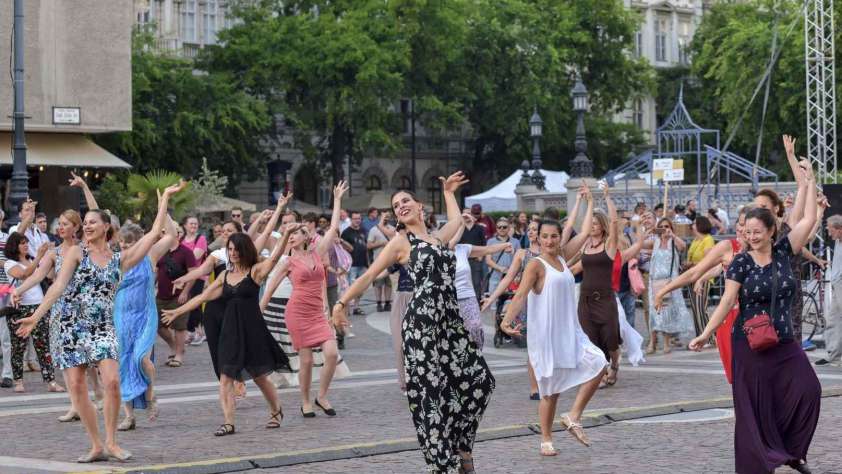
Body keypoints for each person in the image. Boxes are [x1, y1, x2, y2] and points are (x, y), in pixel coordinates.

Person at [333, 172, 494, 474]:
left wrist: (448, 192)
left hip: (450, 321)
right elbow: (368, 276)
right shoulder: (400, 242)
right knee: (431, 399)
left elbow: (457, 222)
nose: (401, 206)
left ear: (420, 206)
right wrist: (341, 304)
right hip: (421, 325)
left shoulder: (436, 237)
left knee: (480, 382)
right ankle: (443, 466)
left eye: (406, 200)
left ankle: (462, 446)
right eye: (396, 205)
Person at [15, 182, 185, 463]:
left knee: (113, 381)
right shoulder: (75, 253)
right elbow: (57, 287)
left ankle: (112, 442)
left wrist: (165, 197)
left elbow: (156, 233)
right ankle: (96, 445)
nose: (88, 226)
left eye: (94, 222)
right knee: (78, 386)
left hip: (102, 326)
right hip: (70, 324)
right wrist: (36, 316)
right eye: (86, 223)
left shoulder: (121, 259)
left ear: (107, 227)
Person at [689, 160, 820, 474]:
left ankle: (788, 451)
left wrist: (811, 180)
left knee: (808, 390)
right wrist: (706, 331)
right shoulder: (740, 263)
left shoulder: (786, 251)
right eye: (747, 232)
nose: (751, 236)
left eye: (757, 232)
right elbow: (728, 301)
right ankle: (761, 464)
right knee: (755, 409)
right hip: (749, 342)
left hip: (784, 341)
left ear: (773, 230)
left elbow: (810, 216)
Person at [162, 230, 290, 437]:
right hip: (230, 331)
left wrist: (286, 235)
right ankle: (228, 423)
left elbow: (275, 257)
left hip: (252, 330)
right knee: (226, 376)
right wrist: (177, 311)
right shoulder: (225, 275)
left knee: (259, 376)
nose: (233, 253)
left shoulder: (256, 271)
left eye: (237, 249)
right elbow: (203, 296)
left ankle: (276, 410)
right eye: (230, 249)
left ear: (245, 250)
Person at [501, 217, 606, 454]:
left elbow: (586, 231)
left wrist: (587, 200)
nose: (549, 240)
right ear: (537, 237)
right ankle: (546, 440)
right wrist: (506, 321)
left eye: (554, 236)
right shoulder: (535, 264)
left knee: (599, 363)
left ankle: (573, 415)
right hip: (546, 334)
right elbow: (520, 295)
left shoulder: (562, 257)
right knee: (549, 391)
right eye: (545, 236)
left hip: (570, 331)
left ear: (561, 237)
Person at [262, 182, 348, 418]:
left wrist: (337, 198)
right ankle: (305, 401)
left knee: (331, 353)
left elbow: (333, 228)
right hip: (297, 313)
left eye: (294, 233)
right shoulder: (287, 262)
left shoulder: (317, 253)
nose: (290, 237)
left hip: (317, 314)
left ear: (304, 236)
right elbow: (270, 287)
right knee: (307, 361)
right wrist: (258, 310)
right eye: (287, 235)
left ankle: (321, 395)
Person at [114, 216, 179, 431]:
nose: (124, 246)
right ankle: (129, 416)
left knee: (142, 358)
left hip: (144, 315)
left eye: (129, 242)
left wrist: (165, 208)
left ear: (139, 241)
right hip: (122, 316)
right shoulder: (118, 258)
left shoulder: (150, 254)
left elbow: (170, 236)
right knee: (123, 364)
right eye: (122, 242)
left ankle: (152, 397)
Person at [3, 232, 57, 393]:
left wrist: (52, 258)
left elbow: (48, 276)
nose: (26, 245)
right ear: (14, 246)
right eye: (22, 243)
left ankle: (51, 381)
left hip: (38, 307)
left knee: (43, 345)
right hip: (18, 309)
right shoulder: (9, 263)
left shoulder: (33, 260)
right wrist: (40, 257)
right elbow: (23, 275)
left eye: (27, 242)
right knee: (18, 346)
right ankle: (18, 381)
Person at [450, 216, 514, 349]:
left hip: (467, 297)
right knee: (453, 335)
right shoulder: (436, 252)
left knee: (475, 330)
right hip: (448, 299)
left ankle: (475, 359)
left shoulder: (463, 249)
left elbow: (487, 250)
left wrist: (506, 245)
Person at [645, 218, 692, 354]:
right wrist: (647, 231)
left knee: (667, 312)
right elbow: (640, 244)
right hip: (655, 283)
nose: (664, 229)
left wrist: (672, 235)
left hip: (670, 282)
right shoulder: (655, 242)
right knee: (654, 312)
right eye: (662, 226)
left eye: (667, 226)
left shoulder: (673, 242)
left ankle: (666, 343)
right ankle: (652, 343)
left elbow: (683, 246)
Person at [155, 229, 198, 368]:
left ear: (177, 234)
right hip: (161, 295)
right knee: (157, 325)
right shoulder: (161, 251)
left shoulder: (186, 252)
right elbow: (157, 271)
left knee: (179, 326)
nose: (162, 234)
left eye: (165, 232)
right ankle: (175, 346)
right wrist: (151, 287)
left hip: (178, 296)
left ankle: (179, 354)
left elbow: (193, 274)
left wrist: (185, 292)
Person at [816, 214, 842, 367]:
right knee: (833, 320)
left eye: (831, 229)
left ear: (839, 229)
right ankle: (834, 354)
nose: (828, 232)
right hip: (837, 283)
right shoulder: (838, 241)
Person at [686, 216, 716, 339]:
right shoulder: (696, 240)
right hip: (692, 276)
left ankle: (709, 336)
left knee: (700, 308)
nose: (692, 225)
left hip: (704, 277)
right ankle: (700, 334)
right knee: (695, 308)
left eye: (694, 223)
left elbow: (708, 260)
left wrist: (692, 264)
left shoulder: (708, 239)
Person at [181, 216, 208, 346]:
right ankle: (190, 331)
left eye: (195, 224)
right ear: (185, 225)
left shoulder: (201, 239)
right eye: (191, 223)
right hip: (184, 276)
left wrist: (181, 258)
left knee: (195, 303)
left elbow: (195, 256)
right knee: (186, 304)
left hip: (198, 276)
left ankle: (199, 332)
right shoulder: (181, 239)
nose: (193, 226)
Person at [340, 211, 368, 315]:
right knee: (350, 288)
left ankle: (356, 307)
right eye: (355, 218)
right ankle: (346, 307)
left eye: (359, 218)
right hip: (351, 265)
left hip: (363, 263)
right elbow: (341, 249)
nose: (357, 220)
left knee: (361, 287)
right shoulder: (346, 232)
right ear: (351, 219)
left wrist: (368, 263)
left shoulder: (363, 230)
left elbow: (365, 246)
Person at [485, 218, 520, 301]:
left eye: (504, 227)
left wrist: (517, 274)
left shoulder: (515, 242)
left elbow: (519, 259)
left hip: (511, 277)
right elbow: (488, 260)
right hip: (495, 277)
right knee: (493, 304)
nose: (501, 229)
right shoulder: (490, 241)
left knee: (509, 303)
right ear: (496, 228)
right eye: (499, 227)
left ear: (508, 228)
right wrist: (500, 268)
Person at [367, 212, 392, 312]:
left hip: (390, 261)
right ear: (380, 217)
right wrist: (381, 243)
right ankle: (378, 304)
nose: (386, 218)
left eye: (388, 216)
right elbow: (368, 246)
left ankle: (387, 303)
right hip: (378, 261)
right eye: (384, 216)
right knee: (378, 284)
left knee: (388, 284)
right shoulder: (373, 230)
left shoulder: (392, 229)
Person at [459, 209, 487, 299]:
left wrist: (481, 256)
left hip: (476, 260)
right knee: (463, 282)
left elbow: (484, 243)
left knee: (476, 283)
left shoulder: (479, 228)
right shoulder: (459, 229)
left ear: (472, 215)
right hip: (463, 260)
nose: (467, 215)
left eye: (468, 213)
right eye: (465, 213)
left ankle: (477, 304)